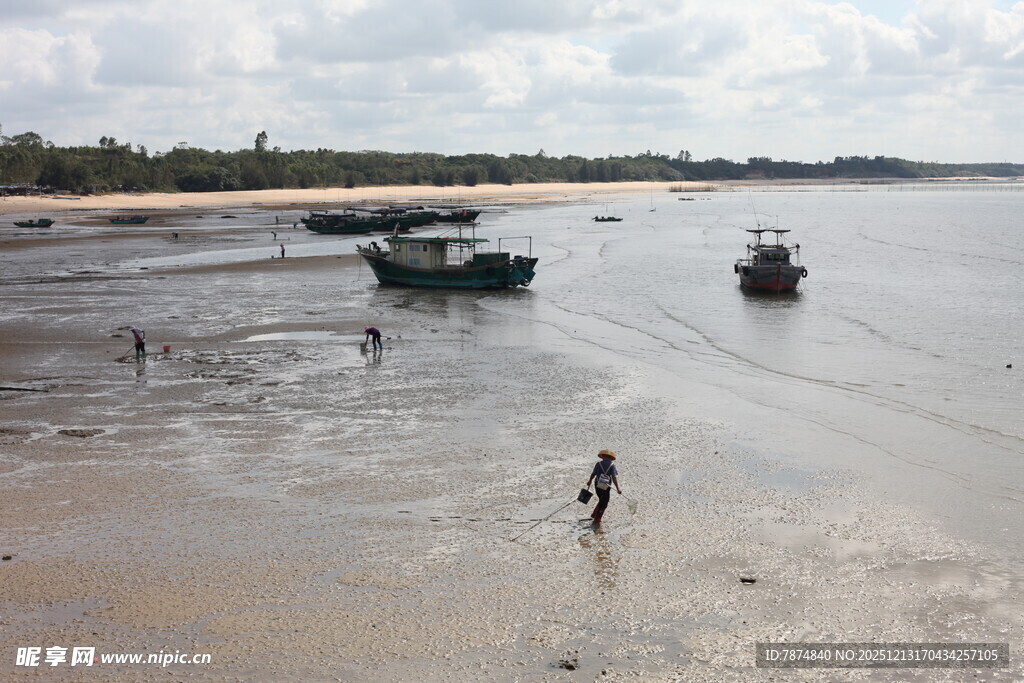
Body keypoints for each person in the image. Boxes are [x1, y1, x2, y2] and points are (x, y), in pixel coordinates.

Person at [586, 449, 621, 525]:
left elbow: (593, 473)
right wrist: (618, 488)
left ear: (603, 456)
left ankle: (594, 514)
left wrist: (589, 481)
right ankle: (597, 519)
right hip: (606, 485)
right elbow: (614, 477)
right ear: (610, 458)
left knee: (601, 498)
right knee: (604, 502)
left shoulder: (598, 464)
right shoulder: (612, 465)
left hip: (597, 484)